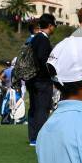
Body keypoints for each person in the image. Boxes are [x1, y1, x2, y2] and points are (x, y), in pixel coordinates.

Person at [27, 13, 57, 145]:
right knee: (42, 108)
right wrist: (51, 74)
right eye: (54, 25)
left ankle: (33, 137)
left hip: (32, 79)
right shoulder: (43, 39)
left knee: (34, 108)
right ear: (50, 26)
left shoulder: (35, 38)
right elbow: (42, 59)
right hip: (42, 80)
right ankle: (40, 138)